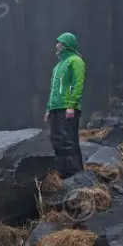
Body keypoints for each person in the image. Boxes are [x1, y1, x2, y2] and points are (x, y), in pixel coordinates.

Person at [43, 32, 86, 177]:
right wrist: (49, 109)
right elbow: (53, 89)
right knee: (57, 141)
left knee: (68, 140)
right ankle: (62, 173)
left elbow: (78, 84)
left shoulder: (76, 61)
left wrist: (72, 105)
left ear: (66, 44)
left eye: (59, 43)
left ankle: (76, 174)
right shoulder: (58, 66)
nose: (56, 45)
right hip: (56, 108)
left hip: (67, 107)